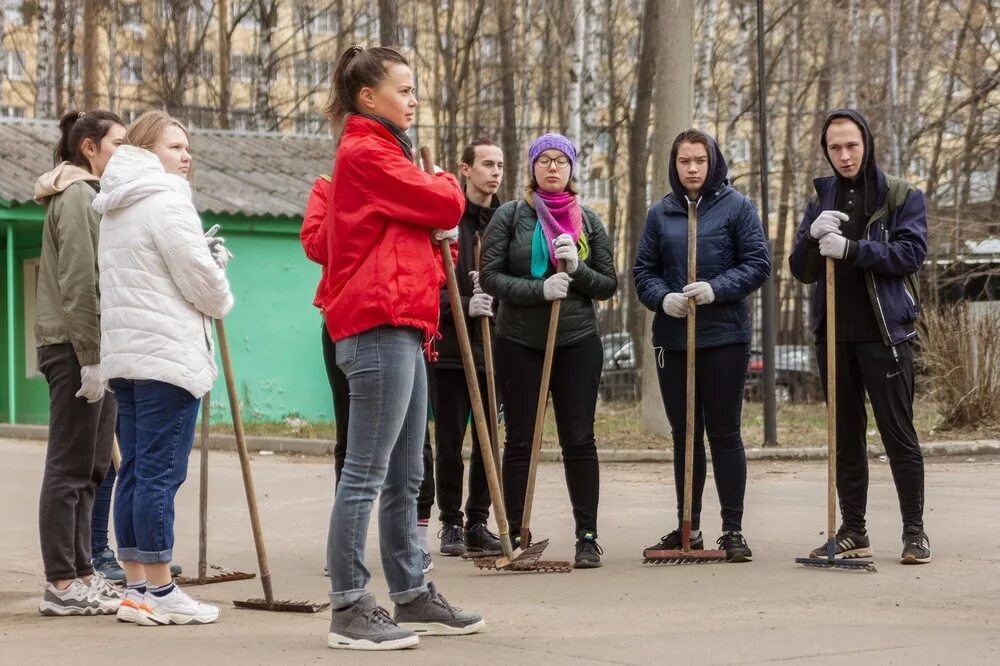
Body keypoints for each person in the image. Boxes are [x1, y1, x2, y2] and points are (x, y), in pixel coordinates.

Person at [319, 45, 484, 651]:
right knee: (365, 470)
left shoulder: (390, 152)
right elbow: (446, 202)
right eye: (404, 89)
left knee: (408, 473)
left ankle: (411, 591)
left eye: (415, 90)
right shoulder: (365, 151)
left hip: (407, 321)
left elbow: (423, 229)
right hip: (376, 320)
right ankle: (348, 605)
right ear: (368, 98)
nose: (414, 99)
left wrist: (428, 208)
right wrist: (438, 184)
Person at [94, 110, 234, 625]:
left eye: (187, 147)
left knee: (133, 470)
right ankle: (160, 590)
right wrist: (218, 273)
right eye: (176, 147)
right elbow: (202, 284)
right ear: (147, 151)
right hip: (167, 357)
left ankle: (135, 587)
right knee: (159, 473)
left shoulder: (115, 205)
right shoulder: (166, 200)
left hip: (128, 357)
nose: (186, 155)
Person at [789, 109, 930, 565]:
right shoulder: (822, 196)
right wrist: (811, 239)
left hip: (884, 334)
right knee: (844, 437)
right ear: (826, 151)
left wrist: (853, 248)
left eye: (851, 145)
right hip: (835, 337)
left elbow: (911, 253)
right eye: (835, 148)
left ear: (866, 143)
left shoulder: (899, 195)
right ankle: (853, 530)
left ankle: (914, 531)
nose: (844, 155)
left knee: (898, 435)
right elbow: (801, 271)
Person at [480, 133, 618, 569]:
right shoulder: (511, 216)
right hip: (519, 343)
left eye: (561, 160)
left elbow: (608, 284)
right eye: (545, 160)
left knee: (579, 439)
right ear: (533, 167)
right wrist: (539, 290)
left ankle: (587, 536)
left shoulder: (589, 222)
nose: (553, 168)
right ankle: (516, 532)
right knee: (521, 440)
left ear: (572, 168)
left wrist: (576, 270)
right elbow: (490, 277)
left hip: (576, 344)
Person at [633, 128, 770, 563]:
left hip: (725, 335)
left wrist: (715, 288)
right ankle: (687, 524)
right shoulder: (662, 213)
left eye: (699, 160)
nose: (692, 168)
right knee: (684, 435)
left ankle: (733, 529)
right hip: (674, 339)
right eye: (683, 161)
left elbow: (758, 263)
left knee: (724, 432)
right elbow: (643, 272)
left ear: (713, 163)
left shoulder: (737, 207)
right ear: (674, 166)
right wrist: (662, 298)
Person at [300, 174, 437, 575]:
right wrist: (352, 203)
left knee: (411, 454)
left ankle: (413, 549)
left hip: (408, 318)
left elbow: (431, 262)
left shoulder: (412, 186)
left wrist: (441, 237)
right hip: (351, 317)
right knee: (358, 446)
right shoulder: (330, 186)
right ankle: (347, 560)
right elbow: (315, 245)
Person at [35, 109, 127, 616]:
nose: (124, 153)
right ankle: (60, 582)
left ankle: (83, 571)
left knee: (92, 468)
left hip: (97, 348)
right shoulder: (74, 196)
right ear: (89, 148)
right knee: (68, 467)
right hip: (73, 348)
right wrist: (91, 359)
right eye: (117, 144)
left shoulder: (97, 198)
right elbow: (77, 281)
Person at [431, 137, 504, 558]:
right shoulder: (447, 219)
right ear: (465, 169)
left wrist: (498, 301)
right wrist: (457, 304)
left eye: (499, 165)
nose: (494, 172)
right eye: (486, 164)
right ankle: (451, 523)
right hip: (451, 349)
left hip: (493, 347)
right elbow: (427, 282)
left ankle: (479, 520)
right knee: (449, 441)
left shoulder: (506, 220)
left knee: (490, 439)